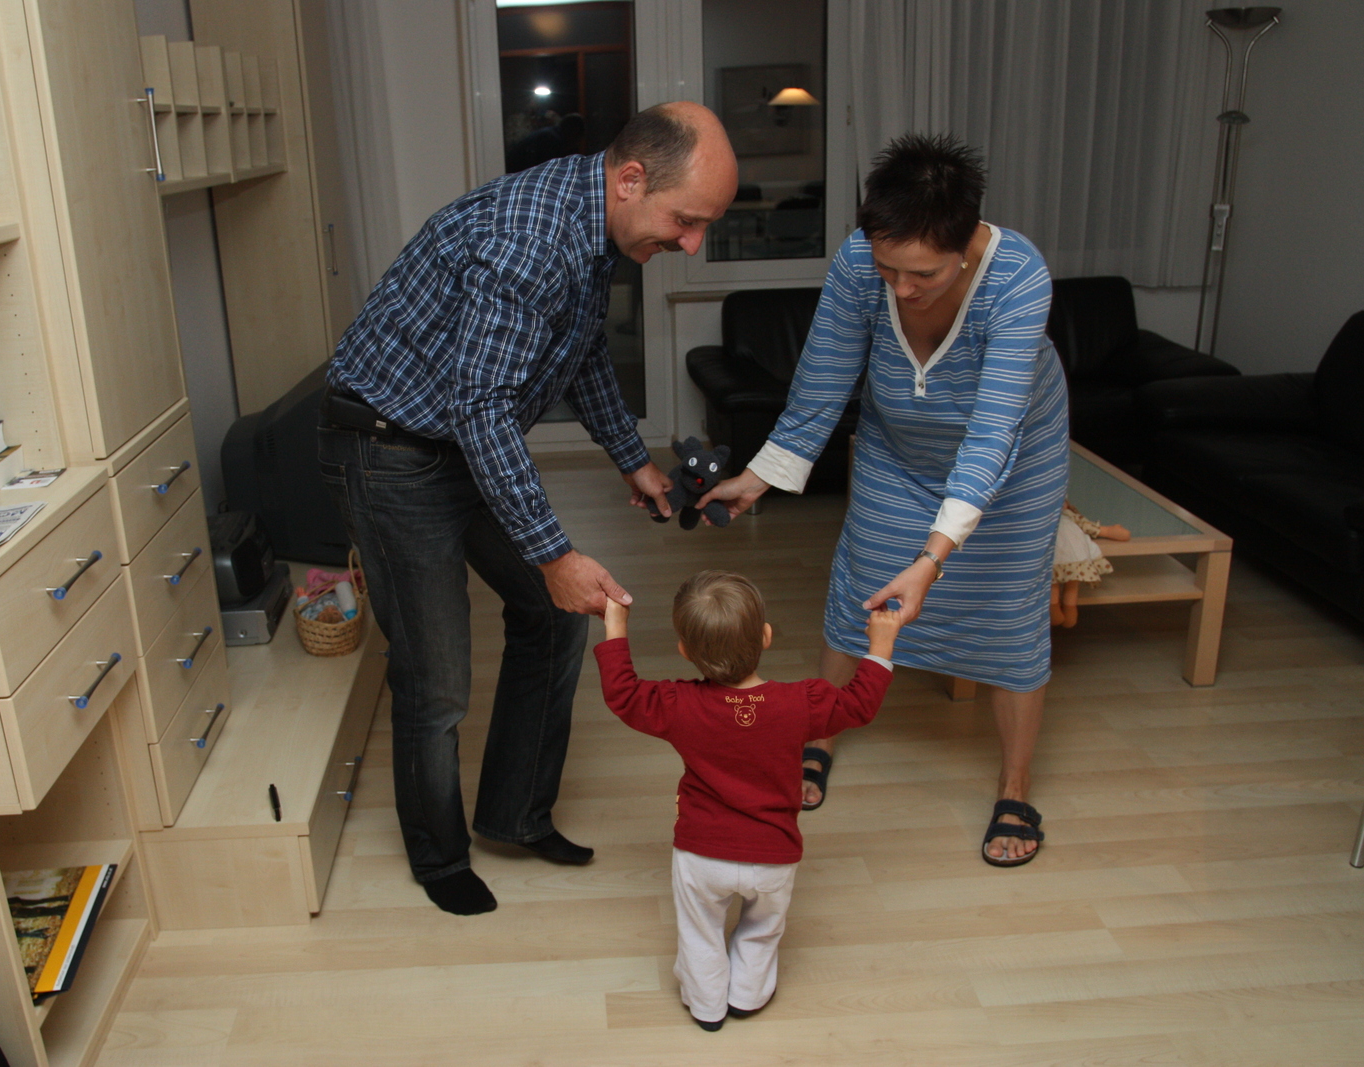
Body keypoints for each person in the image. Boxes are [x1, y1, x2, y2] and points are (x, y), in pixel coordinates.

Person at [319, 102, 738, 914]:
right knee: (437, 675)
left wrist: (631, 459)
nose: (691, 244)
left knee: (554, 617)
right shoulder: (533, 241)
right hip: (387, 448)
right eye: (686, 221)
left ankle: (515, 814)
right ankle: (438, 856)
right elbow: (482, 405)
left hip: (451, 438)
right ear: (630, 179)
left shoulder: (593, 226)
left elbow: (579, 350)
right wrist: (555, 553)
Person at [700, 132, 1069, 867]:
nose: (900, 288)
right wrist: (758, 476)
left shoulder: (1019, 278)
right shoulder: (857, 263)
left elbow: (993, 432)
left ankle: (1016, 784)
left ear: (965, 245)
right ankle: (820, 736)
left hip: (1011, 464)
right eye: (887, 268)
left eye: (922, 273)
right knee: (859, 592)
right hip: (897, 452)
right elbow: (820, 383)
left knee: (1008, 614)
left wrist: (933, 559)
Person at [595, 572, 899, 1030]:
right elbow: (859, 705)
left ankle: (707, 1007)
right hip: (774, 856)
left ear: (684, 650)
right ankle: (747, 997)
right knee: (762, 931)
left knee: (699, 932)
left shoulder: (677, 704)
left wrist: (616, 624)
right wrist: (881, 645)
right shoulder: (803, 702)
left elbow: (623, 693)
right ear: (766, 637)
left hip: (701, 855)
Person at [1051, 503, 1130, 628]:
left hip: (1073, 556)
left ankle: (1067, 610)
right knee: (1055, 583)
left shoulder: (1070, 516)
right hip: (1061, 556)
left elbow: (1092, 528)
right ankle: (1054, 608)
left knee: (1069, 583)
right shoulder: (1045, 519)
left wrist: (1110, 531)